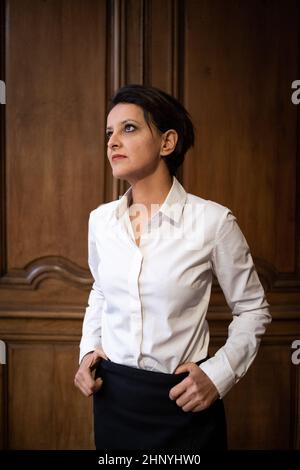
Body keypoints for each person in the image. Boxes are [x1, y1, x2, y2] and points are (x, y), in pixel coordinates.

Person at [74, 84, 271, 450]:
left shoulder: (213, 222)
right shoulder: (100, 221)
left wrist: (219, 374)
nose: (112, 141)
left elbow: (252, 309)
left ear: (167, 143)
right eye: (109, 133)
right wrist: (88, 351)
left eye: (128, 128)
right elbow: (100, 289)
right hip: (112, 398)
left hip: (183, 400)